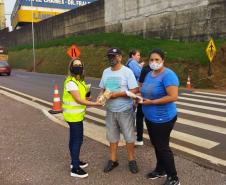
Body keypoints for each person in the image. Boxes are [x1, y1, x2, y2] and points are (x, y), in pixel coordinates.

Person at [139, 48, 180, 185]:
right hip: (150, 117)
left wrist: (152, 102)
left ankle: (173, 177)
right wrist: (138, 97)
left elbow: (173, 96)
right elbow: (145, 91)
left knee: (163, 147)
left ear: (163, 60)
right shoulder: (150, 74)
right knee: (156, 145)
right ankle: (160, 169)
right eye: (151, 60)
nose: (154, 62)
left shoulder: (169, 75)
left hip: (163, 118)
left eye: (157, 59)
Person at [99, 48, 139, 174]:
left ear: (120, 57)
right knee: (112, 136)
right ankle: (113, 160)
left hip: (125, 110)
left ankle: (132, 160)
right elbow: (103, 89)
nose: (111, 58)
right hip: (110, 110)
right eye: (109, 56)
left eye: (114, 56)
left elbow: (135, 90)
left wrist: (119, 94)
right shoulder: (106, 72)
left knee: (129, 136)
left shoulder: (127, 72)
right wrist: (100, 97)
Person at [62, 58, 102, 178]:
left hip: (77, 115)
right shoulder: (71, 82)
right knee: (77, 140)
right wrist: (96, 104)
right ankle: (75, 168)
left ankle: (74, 160)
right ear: (71, 68)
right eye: (75, 65)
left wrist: (87, 99)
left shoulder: (79, 81)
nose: (78, 67)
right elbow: (79, 100)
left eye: (80, 65)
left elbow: (81, 98)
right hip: (73, 116)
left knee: (74, 139)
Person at [126, 49, 145, 146]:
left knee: (133, 112)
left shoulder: (130, 63)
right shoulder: (132, 62)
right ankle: (132, 134)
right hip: (135, 89)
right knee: (135, 112)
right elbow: (139, 74)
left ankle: (131, 132)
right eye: (138, 55)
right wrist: (141, 67)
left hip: (133, 89)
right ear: (132, 56)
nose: (139, 57)